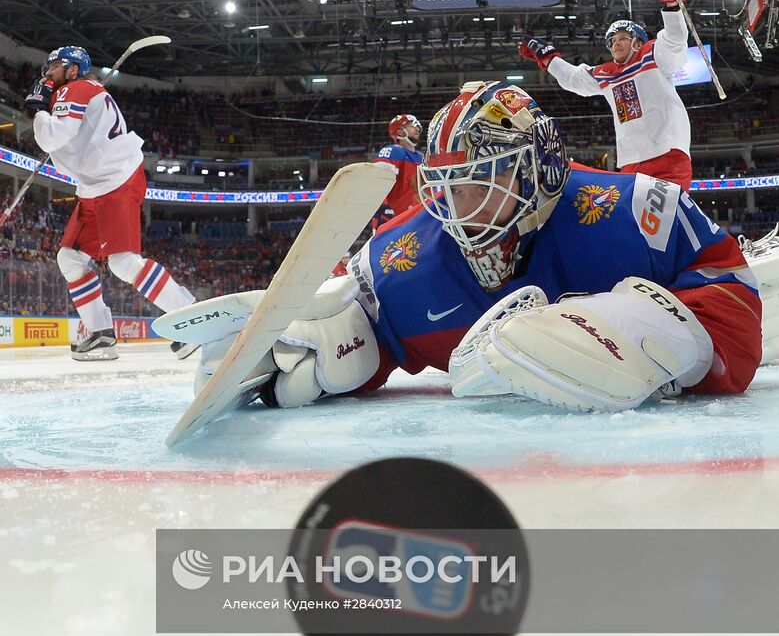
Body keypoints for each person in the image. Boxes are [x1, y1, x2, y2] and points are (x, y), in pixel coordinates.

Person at [194, 81, 762, 415]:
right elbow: (370, 332)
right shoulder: (405, 260)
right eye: (444, 187)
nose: (458, 207)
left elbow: (734, 290)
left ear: (538, 167)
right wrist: (347, 340)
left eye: (480, 181)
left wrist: (662, 331)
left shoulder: (635, 211)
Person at [24, 45, 196, 361]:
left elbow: (52, 138)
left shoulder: (73, 88)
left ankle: (191, 320)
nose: (47, 73)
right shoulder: (86, 88)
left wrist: (38, 109)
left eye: (54, 67)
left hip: (114, 181)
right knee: (71, 257)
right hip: (97, 184)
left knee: (123, 262)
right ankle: (100, 334)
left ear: (72, 70)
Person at [519, 0, 693, 189]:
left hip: (667, 154)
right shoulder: (607, 74)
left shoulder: (653, 55)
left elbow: (675, 41)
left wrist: (671, 3)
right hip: (630, 162)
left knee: (669, 220)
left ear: (637, 42)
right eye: (611, 41)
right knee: (633, 224)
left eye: (622, 38)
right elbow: (574, 78)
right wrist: (549, 58)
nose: (615, 44)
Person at [370, 113, 423, 233]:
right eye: (411, 125)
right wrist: (383, 207)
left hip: (420, 217)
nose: (417, 128)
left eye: (417, 126)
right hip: (397, 218)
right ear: (400, 132)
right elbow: (378, 183)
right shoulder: (392, 152)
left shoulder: (423, 158)